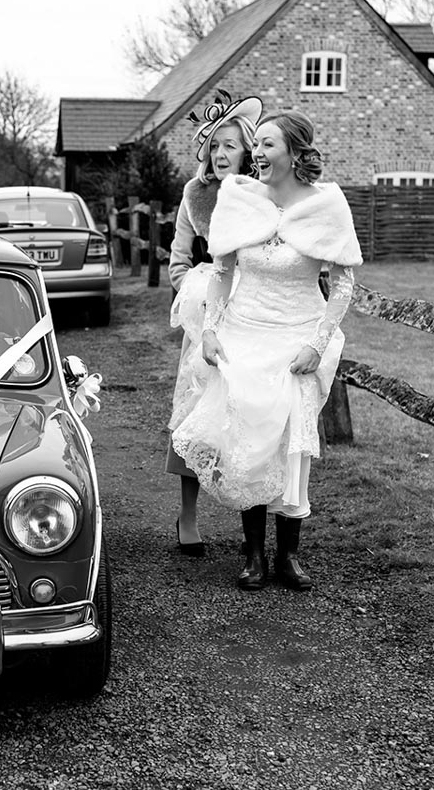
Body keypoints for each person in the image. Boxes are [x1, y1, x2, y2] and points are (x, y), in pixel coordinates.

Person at [171, 110, 361, 591]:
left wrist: (317, 345)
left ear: (295, 153)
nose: (257, 152)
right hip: (242, 334)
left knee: (292, 445)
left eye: (268, 144)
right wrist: (210, 331)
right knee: (250, 439)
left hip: (297, 340)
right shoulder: (239, 198)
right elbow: (222, 273)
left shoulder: (328, 207)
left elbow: (342, 285)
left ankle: (289, 555)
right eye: (257, 144)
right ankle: (254, 553)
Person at [166, 91, 262, 557]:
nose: (220, 154)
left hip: (255, 316)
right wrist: (200, 293)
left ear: (247, 150)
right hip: (208, 319)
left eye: (230, 146)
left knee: (248, 415)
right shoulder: (195, 194)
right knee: (196, 413)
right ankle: (188, 513)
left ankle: (254, 526)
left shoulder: (264, 196)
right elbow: (179, 262)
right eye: (214, 146)